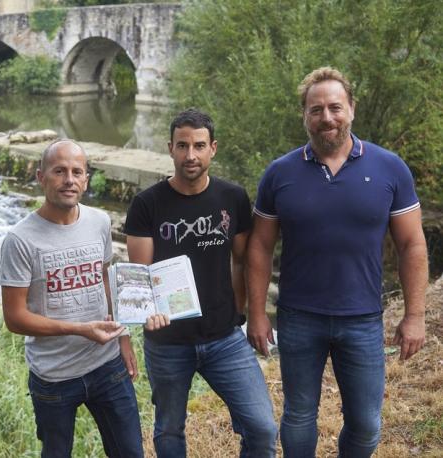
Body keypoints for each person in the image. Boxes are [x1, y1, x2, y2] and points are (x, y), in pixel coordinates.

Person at [246, 67, 429, 457]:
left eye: (334, 107)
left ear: (351, 110)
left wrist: (414, 315)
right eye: (316, 110)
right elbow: (260, 247)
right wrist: (257, 314)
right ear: (304, 116)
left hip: (362, 318)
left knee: (365, 424)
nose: (326, 117)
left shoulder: (389, 168)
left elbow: (413, 244)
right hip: (298, 317)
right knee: (297, 418)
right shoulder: (279, 173)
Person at [124, 108, 278, 457]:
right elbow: (139, 275)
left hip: (224, 338)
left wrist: (244, 313)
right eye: (182, 146)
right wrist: (148, 312)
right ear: (170, 148)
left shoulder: (232, 197)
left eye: (198, 145)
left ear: (213, 148)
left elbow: (242, 260)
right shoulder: (146, 204)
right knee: (169, 431)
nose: (190, 155)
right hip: (167, 342)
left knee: (262, 427)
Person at [0, 139, 144, 458]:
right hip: (54, 376)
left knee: (131, 453)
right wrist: (79, 329)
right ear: (41, 177)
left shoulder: (100, 221)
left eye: (77, 172)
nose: (69, 179)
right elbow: (15, 318)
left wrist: (124, 336)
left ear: (86, 179)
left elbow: (105, 280)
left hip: (107, 366)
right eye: (59, 171)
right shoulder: (20, 240)